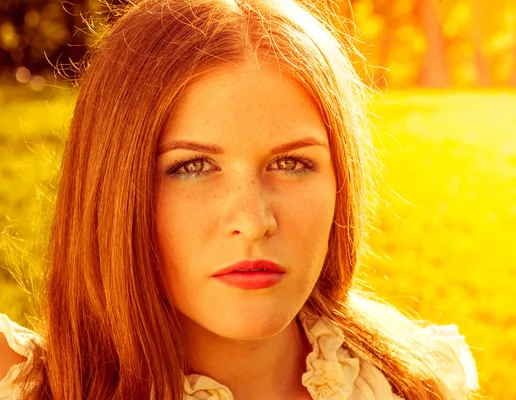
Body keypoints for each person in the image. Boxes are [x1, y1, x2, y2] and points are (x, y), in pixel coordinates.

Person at [0, 0, 480, 399]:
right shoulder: (32, 386)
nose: (253, 222)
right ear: (114, 187)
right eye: (192, 167)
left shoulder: (417, 380)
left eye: (291, 163)